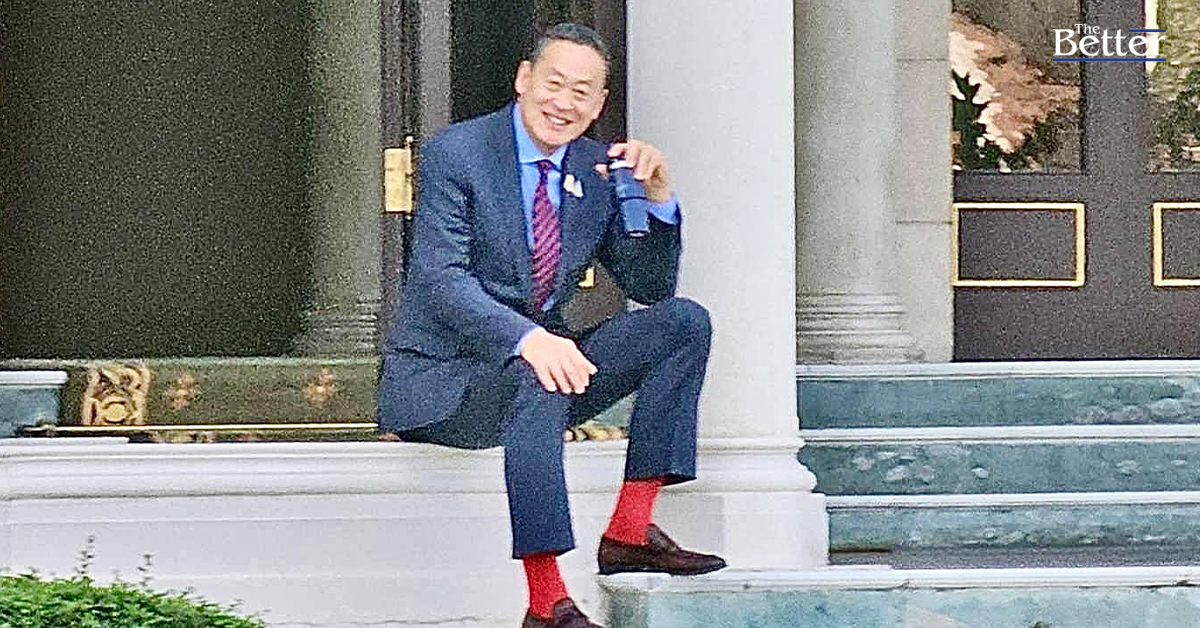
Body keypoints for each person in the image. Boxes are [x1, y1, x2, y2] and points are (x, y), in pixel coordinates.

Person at [377, 22, 724, 628]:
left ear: (599, 104)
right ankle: (546, 603)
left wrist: (658, 199)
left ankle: (629, 531)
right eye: (554, 84)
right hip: (446, 384)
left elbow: (649, 288)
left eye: (582, 92)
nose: (564, 103)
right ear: (523, 79)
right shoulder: (458, 153)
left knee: (684, 323)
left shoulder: (595, 169)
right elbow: (440, 279)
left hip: (538, 372)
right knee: (540, 372)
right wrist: (529, 339)